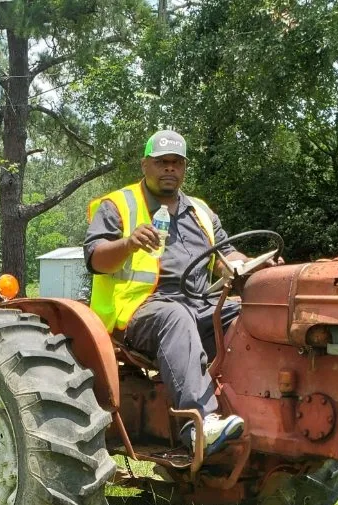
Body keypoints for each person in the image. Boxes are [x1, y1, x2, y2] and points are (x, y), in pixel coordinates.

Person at [83, 130, 254, 457]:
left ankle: (259, 408)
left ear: (185, 168)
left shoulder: (201, 211)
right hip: (139, 311)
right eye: (162, 162)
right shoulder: (118, 205)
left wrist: (252, 265)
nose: (169, 169)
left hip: (201, 306)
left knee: (253, 315)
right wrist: (129, 243)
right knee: (175, 317)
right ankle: (199, 425)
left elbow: (226, 256)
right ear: (145, 164)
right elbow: (96, 259)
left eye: (176, 163)